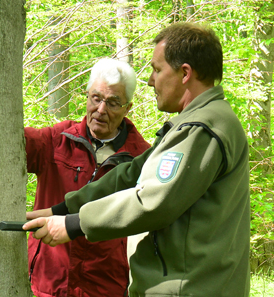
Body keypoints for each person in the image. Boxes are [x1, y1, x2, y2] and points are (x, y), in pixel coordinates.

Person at [24, 23, 250, 296]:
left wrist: (73, 224)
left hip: (188, 288)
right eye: (95, 98)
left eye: (157, 69)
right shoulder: (189, 125)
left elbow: (152, 202)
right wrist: (61, 210)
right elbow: (132, 174)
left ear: (185, 73)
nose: (150, 81)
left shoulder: (203, 128)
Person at [24, 58, 151, 296]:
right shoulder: (56, 140)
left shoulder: (141, 158)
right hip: (48, 285)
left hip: (105, 286)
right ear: (87, 96)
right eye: (96, 98)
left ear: (127, 108)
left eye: (113, 102)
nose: (101, 110)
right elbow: (10, 141)